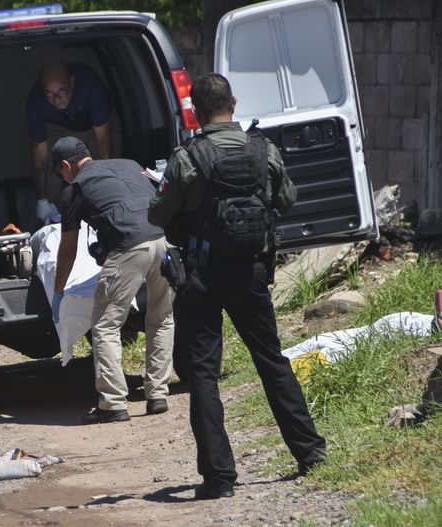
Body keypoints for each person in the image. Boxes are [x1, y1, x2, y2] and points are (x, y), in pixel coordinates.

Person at [148, 73, 326, 500]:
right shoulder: (263, 150)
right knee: (271, 361)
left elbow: (158, 216)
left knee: (204, 376)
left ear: (194, 110)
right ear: (234, 102)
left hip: (201, 278)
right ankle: (310, 453)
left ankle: (219, 478)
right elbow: (287, 200)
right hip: (250, 274)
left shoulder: (187, 157)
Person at [51, 136, 174, 425]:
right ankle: (158, 394)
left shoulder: (76, 189)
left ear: (67, 166)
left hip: (129, 248)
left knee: (106, 326)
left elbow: (68, 247)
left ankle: (113, 403)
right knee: (162, 318)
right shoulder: (131, 165)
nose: (63, 179)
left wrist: (58, 291)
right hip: (163, 242)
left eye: (61, 173)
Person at [26, 61, 113, 225]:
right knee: (53, 177)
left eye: (62, 91)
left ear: (71, 82)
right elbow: (40, 153)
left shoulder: (91, 88)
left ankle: (100, 216)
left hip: (94, 127)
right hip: (58, 127)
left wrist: (104, 184)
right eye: (49, 94)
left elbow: (103, 139)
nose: (57, 99)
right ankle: (57, 220)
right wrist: (42, 199)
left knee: (96, 170)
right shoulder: (36, 101)